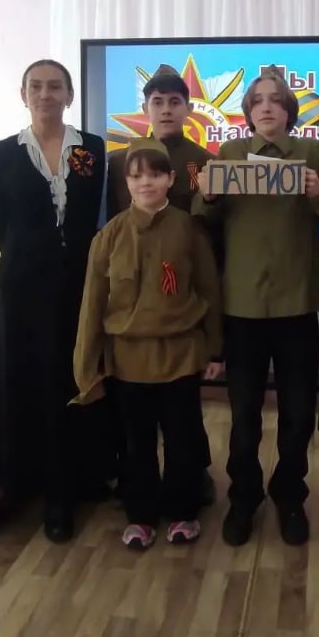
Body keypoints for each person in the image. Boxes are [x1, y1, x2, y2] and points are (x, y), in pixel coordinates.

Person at [194, 69, 319, 547]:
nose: (268, 107)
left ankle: (290, 495)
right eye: (258, 101)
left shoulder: (313, 154)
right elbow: (203, 216)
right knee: (244, 414)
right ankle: (244, 497)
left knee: (298, 412)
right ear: (249, 112)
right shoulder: (230, 154)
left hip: (297, 302)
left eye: (277, 100)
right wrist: (207, 194)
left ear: (290, 111)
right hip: (242, 305)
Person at [0, 58, 117, 544]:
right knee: (24, 380)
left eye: (55, 86)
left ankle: (73, 484)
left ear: (69, 95)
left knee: (73, 378)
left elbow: (95, 213)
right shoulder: (0, 154)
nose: (45, 94)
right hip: (23, 288)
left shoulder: (92, 149)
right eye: (36, 86)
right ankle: (25, 482)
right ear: (24, 95)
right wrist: (34, 258)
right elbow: (3, 225)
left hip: (79, 284)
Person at [73, 138, 223, 550]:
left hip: (180, 354)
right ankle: (140, 516)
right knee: (136, 443)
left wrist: (215, 350)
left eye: (155, 174)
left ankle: (182, 512)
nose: (146, 183)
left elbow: (209, 290)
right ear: (126, 183)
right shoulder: (109, 236)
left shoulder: (188, 230)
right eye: (137, 176)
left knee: (182, 438)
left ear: (171, 179)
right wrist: (87, 367)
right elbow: (92, 305)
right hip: (128, 359)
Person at [105, 64, 219, 505]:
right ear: (145, 108)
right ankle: (136, 483)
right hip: (133, 292)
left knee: (182, 408)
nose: (166, 109)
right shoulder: (120, 162)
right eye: (158, 102)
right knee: (134, 410)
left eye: (175, 102)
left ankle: (192, 478)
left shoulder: (204, 161)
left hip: (184, 287)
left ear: (188, 108)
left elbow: (216, 228)